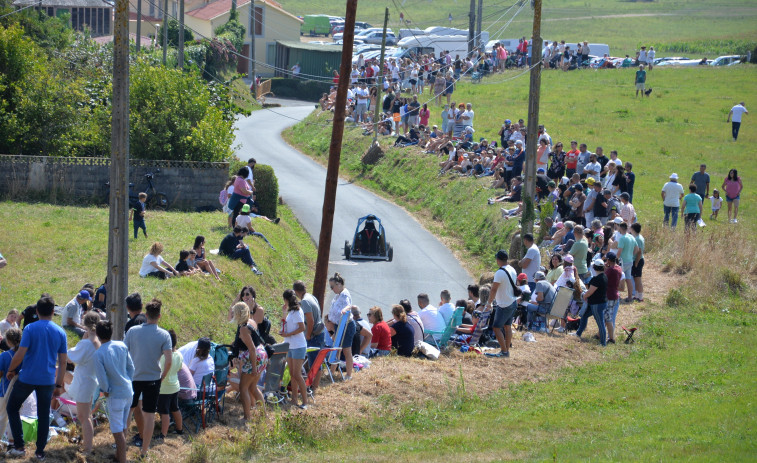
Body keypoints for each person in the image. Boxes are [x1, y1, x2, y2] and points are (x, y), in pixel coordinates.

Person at [5, 295, 68, 459]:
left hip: (27, 378)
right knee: (43, 415)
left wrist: (11, 370)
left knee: (12, 408)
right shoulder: (60, 332)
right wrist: (59, 385)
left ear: (37, 311)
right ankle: (40, 452)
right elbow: (62, 362)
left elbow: (20, 354)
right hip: (47, 380)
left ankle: (19, 446)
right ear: (53, 312)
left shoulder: (30, 329)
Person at [124, 298, 172, 457]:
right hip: (153, 378)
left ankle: (121, 446)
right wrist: (162, 377)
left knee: (128, 411)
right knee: (150, 415)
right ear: (159, 316)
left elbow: (124, 354)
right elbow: (169, 360)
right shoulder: (164, 335)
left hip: (134, 377)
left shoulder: (132, 331)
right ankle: (144, 451)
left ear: (145, 314)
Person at [94, 320, 134, 463]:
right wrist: (127, 381)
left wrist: (106, 390)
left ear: (97, 335)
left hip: (115, 394)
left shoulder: (99, 354)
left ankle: (122, 459)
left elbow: (102, 378)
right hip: (128, 391)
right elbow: (131, 368)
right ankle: (118, 456)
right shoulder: (122, 345)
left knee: (117, 431)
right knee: (123, 426)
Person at [66, 312, 101, 455]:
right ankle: (87, 443)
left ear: (85, 324)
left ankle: (87, 449)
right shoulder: (97, 341)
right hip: (91, 381)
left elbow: (70, 357)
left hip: (84, 382)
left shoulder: (86, 343)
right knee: (87, 415)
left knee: (84, 416)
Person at [230, 302, 267, 420]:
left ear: (238, 314)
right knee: (253, 387)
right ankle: (263, 415)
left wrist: (254, 368)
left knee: (243, 387)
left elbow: (251, 349)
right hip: (262, 354)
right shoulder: (251, 321)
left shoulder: (243, 329)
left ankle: (247, 417)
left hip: (255, 357)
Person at [485, 250, 519, 358]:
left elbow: (494, 289)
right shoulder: (512, 269)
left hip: (504, 305)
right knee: (507, 327)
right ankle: (506, 350)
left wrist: (489, 303)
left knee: (496, 328)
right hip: (512, 302)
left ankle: (504, 351)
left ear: (498, 260)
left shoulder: (500, 272)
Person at [292, 281, 324, 391]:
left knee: (314, 362)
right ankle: (313, 385)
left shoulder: (305, 301)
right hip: (319, 332)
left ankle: (313, 386)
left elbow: (310, 321)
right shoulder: (310, 296)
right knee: (316, 361)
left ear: (296, 292)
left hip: (314, 334)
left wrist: (308, 335)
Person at [280, 289, 308, 409]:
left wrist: (289, 334)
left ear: (286, 299)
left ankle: (305, 402)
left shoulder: (297, 311)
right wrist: (284, 312)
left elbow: (302, 327)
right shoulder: (291, 311)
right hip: (290, 345)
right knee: (292, 373)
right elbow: (285, 324)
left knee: (297, 374)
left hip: (298, 345)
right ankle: (294, 399)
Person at [572, 261, 608, 346]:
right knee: (584, 315)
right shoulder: (604, 277)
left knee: (600, 323)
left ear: (595, 267)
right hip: (600, 302)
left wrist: (584, 296)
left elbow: (590, 292)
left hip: (596, 304)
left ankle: (603, 343)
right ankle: (578, 333)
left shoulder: (597, 279)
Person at [157, 329, 183, 442]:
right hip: (175, 386)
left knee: (164, 412)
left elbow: (160, 372)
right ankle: (179, 429)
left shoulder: (164, 358)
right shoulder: (179, 355)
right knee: (175, 408)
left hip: (164, 389)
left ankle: (163, 434)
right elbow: (180, 368)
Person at [327, 273, 355, 379]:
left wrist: (345, 310)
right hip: (338, 325)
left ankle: (348, 374)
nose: (332, 289)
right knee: (336, 348)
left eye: (332, 286)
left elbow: (349, 305)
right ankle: (332, 371)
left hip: (347, 325)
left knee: (346, 350)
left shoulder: (344, 294)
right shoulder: (338, 295)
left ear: (338, 284)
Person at [0, 328, 21, 444]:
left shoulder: (5, 356)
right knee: (15, 416)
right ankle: (13, 442)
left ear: (8, 341)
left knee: (2, 417)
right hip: (20, 391)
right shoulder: (24, 354)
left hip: (4, 390)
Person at [603, 252, 624, 343]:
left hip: (609, 296)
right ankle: (600, 334)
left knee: (608, 318)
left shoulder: (610, 270)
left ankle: (611, 338)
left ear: (608, 260)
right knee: (608, 317)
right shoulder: (618, 268)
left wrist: (604, 269)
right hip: (615, 295)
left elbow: (603, 278)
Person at [630, 223, 645, 302]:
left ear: (633, 229)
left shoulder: (638, 239)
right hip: (637, 260)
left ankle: (641, 296)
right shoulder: (638, 237)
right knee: (635, 279)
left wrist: (636, 263)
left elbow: (639, 252)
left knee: (638, 279)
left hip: (638, 261)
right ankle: (636, 295)